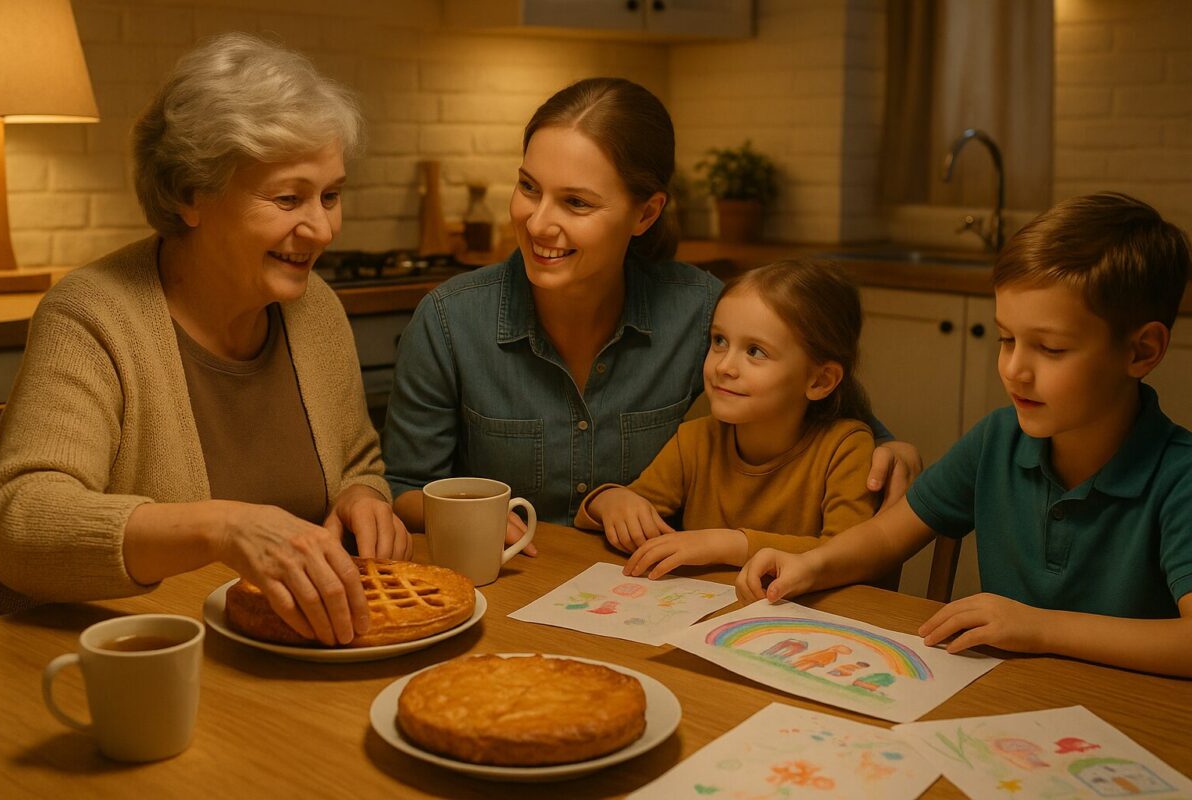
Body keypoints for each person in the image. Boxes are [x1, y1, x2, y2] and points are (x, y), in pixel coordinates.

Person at [0, 33, 410, 646]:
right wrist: (222, 528)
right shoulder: (93, 315)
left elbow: (359, 462)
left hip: (292, 653)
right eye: (288, 197)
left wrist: (363, 497)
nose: (321, 229)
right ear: (192, 193)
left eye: (331, 195)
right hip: (137, 665)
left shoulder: (314, 309)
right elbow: (19, 524)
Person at [382, 77, 922, 544]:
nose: (538, 221)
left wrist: (889, 447)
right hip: (507, 590)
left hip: (652, 600)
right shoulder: (449, 321)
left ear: (646, 213)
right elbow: (405, 489)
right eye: (529, 187)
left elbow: (826, 417)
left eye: (576, 202)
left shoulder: (703, 313)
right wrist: (475, 517)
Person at [737, 192, 1192, 678]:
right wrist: (813, 565)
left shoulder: (1178, 476)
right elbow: (889, 535)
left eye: (1052, 348)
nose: (1014, 369)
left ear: (1142, 351)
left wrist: (1038, 628)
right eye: (1006, 339)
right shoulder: (997, 439)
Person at [574, 260, 878, 580]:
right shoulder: (695, 439)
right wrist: (609, 501)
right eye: (719, 341)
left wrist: (730, 544)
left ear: (820, 381)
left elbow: (847, 555)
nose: (724, 367)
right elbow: (635, 508)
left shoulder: (846, 447)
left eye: (755, 352)